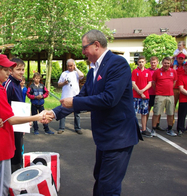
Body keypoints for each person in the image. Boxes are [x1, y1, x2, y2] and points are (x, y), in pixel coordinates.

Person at [44, 30, 142, 196]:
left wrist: (74, 102)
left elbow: (109, 99)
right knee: (100, 179)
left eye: (84, 48)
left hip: (118, 137)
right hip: (104, 138)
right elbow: (83, 97)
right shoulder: (92, 71)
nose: (83, 52)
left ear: (96, 45)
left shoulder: (118, 64)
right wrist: (54, 113)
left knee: (108, 187)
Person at [0, 54, 51, 196]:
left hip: (3, 140)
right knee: (2, 184)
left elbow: (2, 116)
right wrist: (37, 116)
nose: (9, 72)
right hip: (0, 143)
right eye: (6, 70)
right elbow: (11, 119)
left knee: (0, 180)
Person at [3, 57, 25, 173]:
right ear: (10, 70)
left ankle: (17, 174)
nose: (21, 72)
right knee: (13, 153)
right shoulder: (8, 84)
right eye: (18, 69)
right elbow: (3, 106)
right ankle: (12, 179)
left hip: (19, 125)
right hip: (11, 125)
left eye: (22, 69)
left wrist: (25, 122)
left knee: (19, 151)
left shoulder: (17, 84)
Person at [152, 57, 178, 137]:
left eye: (168, 63)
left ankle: (169, 129)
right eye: (165, 63)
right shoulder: (157, 72)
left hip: (170, 95)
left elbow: (174, 82)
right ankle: (153, 129)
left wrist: (169, 89)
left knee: (170, 113)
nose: (166, 64)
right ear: (162, 63)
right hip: (160, 95)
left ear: (170, 63)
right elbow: (153, 83)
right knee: (156, 113)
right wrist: (158, 91)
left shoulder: (173, 71)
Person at [57, 58, 84, 135]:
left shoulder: (76, 73)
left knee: (77, 114)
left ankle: (77, 128)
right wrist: (64, 83)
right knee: (62, 112)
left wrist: (76, 68)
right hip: (65, 96)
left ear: (74, 65)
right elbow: (59, 84)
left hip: (75, 96)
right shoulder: (64, 73)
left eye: (71, 66)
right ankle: (61, 128)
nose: (69, 67)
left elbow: (82, 75)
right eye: (68, 66)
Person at [132, 56, 153, 137]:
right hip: (136, 96)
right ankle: (133, 129)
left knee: (144, 113)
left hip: (145, 96)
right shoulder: (134, 71)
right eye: (139, 62)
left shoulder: (148, 72)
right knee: (134, 112)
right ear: (138, 62)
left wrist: (143, 91)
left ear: (145, 62)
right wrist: (140, 92)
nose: (141, 63)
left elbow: (150, 84)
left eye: (142, 62)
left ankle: (144, 129)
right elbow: (133, 83)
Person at [147, 56, 162, 131]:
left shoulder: (160, 71)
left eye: (154, 62)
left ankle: (157, 125)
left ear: (157, 62)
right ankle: (145, 125)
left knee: (158, 111)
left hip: (158, 93)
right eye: (152, 62)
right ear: (150, 63)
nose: (153, 64)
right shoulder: (147, 71)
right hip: (149, 93)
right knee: (147, 109)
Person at [173, 53, 186, 124]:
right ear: (177, 59)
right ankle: (171, 124)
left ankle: (181, 125)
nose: (180, 60)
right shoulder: (174, 66)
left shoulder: (185, 66)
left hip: (183, 89)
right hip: (175, 88)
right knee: (172, 107)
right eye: (179, 58)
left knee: (182, 108)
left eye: (182, 59)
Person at [177, 62, 187, 135]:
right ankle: (180, 128)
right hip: (183, 99)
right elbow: (181, 88)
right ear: (184, 67)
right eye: (186, 67)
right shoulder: (181, 76)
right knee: (182, 115)